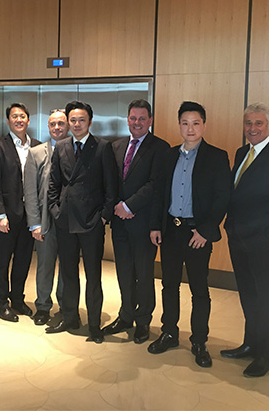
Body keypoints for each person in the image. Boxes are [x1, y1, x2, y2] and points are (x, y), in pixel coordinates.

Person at [147, 101, 231, 368]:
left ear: (204, 125)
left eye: (195, 123)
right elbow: (159, 194)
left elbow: (222, 197)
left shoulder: (217, 157)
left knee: (199, 289)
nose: (190, 128)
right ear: (179, 125)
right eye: (185, 123)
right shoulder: (168, 155)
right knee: (169, 285)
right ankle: (169, 333)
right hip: (171, 231)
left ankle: (199, 341)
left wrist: (206, 231)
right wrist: (156, 225)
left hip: (198, 234)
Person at [221, 102, 269, 377]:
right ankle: (251, 343)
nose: (252, 128)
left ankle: (265, 355)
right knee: (247, 293)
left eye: (258, 123)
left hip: (264, 242)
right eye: (248, 123)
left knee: (264, 297)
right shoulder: (242, 152)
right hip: (238, 237)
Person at [45, 101, 118, 343]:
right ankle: (70, 317)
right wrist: (55, 210)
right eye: (73, 120)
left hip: (91, 220)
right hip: (65, 220)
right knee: (68, 273)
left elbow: (111, 186)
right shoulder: (62, 146)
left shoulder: (102, 147)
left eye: (81, 120)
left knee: (93, 275)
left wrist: (104, 216)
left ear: (90, 122)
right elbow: (54, 183)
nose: (77, 124)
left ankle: (94, 324)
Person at [102, 99, 169, 344]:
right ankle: (126, 315)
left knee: (143, 273)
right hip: (120, 222)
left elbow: (155, 185)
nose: (137, 122)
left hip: (144, 223)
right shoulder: (116, 146)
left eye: (142, 118)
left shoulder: (160, 148)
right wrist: (117, 208)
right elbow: (111, 181)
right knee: (124, 272)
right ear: (127, 119)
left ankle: (143, 321)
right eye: (133, 118)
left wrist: (129, 206)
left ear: (150, 120)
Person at [0, 103, 40, 322]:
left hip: (30, 215)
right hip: (7, 215)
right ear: (8, 121)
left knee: (23, 259)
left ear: (28, 119)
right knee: (2, 260)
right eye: (14, 116)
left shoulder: (37, 146)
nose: (19, 120)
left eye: (22, 116)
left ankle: (17, 299)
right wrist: (0, 214)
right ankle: (0, 302)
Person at [23, 109, 69, 326]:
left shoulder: (75, 150)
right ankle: (42, 306)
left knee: (67, 265)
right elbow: (30, 191)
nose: (57, 127)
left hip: (69, 220)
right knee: (45, 265)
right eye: (53, 124)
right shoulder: (36, 153)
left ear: (68, 125)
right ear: (48, 127)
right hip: (44, 219)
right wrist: (34, 223)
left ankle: (65, 305)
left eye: (61, 123)